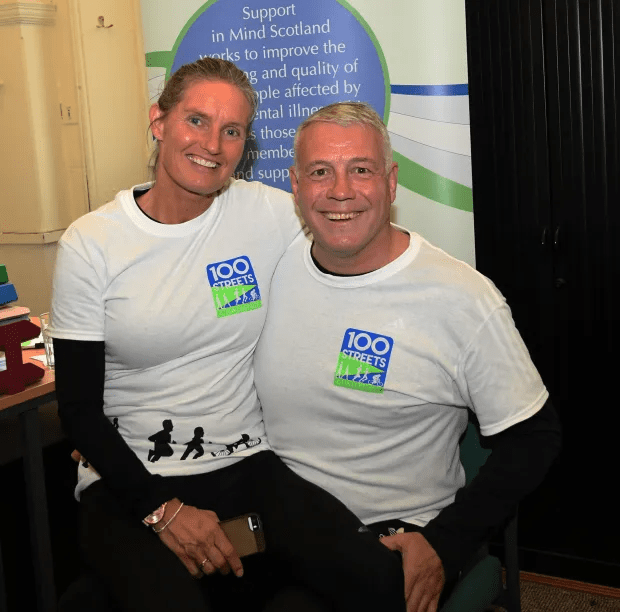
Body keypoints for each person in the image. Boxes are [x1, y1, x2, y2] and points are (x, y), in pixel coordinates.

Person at [50, 61, 406, 612]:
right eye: (196, 120)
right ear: (159, 121)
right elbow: (77, 409)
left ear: (245, 144)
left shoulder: (265, 213)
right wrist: (162, 510)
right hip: (128, 479)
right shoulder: (92, 243)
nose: (212, 143)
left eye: (232, 130)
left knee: (378, 579)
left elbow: (356, 226)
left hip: (246, 464)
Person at [253, 102, 562, 612]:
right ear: (295, 184)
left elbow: (536, 438)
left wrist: (444, 543)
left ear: (391, 181)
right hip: (284, 526)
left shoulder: (460, 296)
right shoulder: (273, 267)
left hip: (392, 539)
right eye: (320, 172)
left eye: (361, 169)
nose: (340, 191)